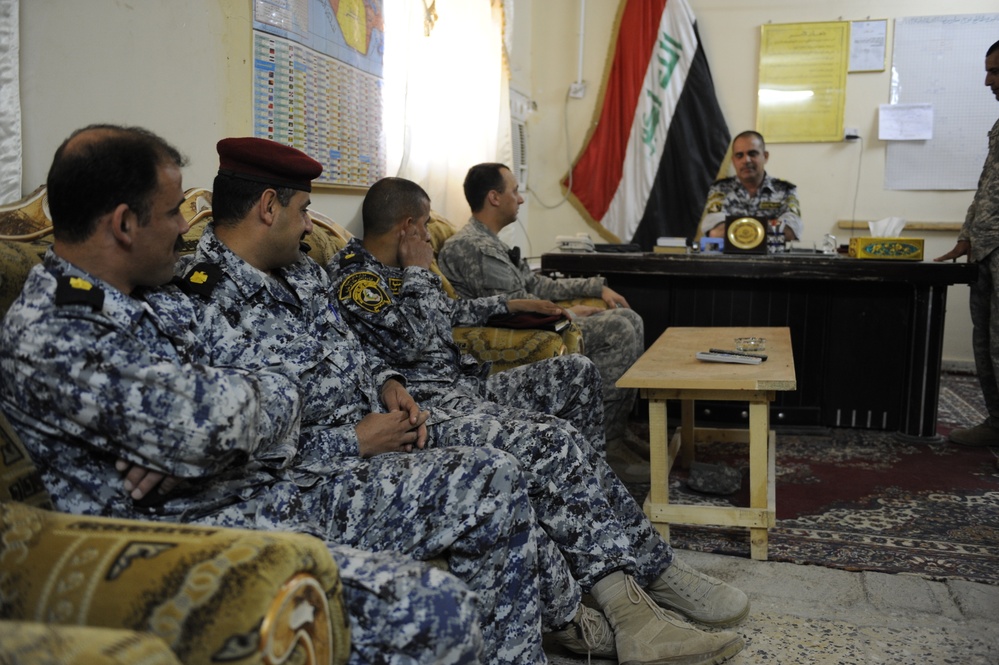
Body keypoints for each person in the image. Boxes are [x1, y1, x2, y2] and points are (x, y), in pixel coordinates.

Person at [180, 140, 746, 665]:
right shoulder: (203, 302)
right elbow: (236, 438)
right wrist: (358, 433)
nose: (310, 228)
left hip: (406, 413)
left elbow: (358, 351)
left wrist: (387, 382)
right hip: (343, 459)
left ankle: (641, 583)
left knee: (562, 410)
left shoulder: (300, 273)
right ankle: (629, 596)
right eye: (305, 209)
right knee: (537, 449)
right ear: (269, 206)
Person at [0, 124, 521, 665]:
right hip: (173, 544)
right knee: (440, 611)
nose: (187, 228)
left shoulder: (138, 298)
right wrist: (218, 420)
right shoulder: (57, 331)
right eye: (175, 211)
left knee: (490, 476)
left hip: (251, 490)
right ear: (125, 224)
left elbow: (226, 415)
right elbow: (216, 421)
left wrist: (214, 423)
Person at [435, 162, 648, 463]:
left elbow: (534, 283)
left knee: (629, 317)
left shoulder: (490, 242)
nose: (520, 199)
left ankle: (615, 429)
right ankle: (607, 444)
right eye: (515, 191)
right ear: (494, 198)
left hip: (535, 322)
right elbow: (515, 303)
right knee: (620, 328)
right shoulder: (471, 247)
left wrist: (597, 287)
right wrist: (569, 312)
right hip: (519, 332)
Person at [934, 40, 999, 447]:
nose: (987, 80)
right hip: (986, 249)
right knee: (987, 342)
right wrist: (966, 236)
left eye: (995, 71)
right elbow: (986, 188)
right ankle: (996, 423)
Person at [699, 130, 803, 241]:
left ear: (765, 156)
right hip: (730, 258)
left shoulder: (785, 190)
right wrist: (771, 227)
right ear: (733, 160)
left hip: (772, 258)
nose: (746, 160)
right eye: (739, 155)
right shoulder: (720, 189)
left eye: (752, 154)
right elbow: (717, 233)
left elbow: (789, 232)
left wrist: (736, 228)